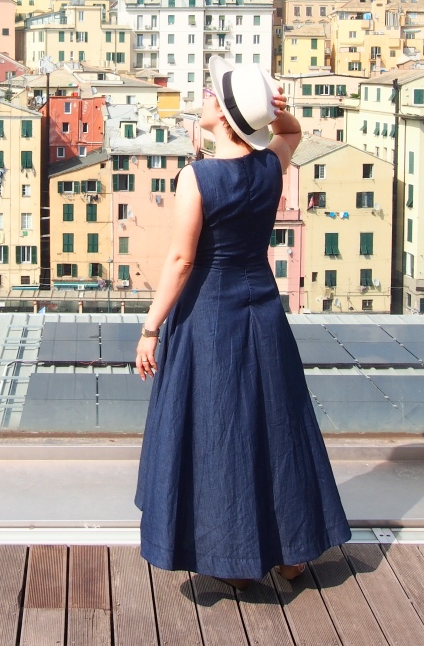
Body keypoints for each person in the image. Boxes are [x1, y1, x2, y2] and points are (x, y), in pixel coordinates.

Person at [134, 57, 350, 589]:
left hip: (210, 317)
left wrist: (150, 327)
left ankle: (234, 557)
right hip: (263, 311)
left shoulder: (198, 177)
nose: (204, 98)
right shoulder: (269, 167)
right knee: (277, 428)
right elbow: (292, 131)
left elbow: (181, 262)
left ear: (225, 116)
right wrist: (276, 112)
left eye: (213, 94)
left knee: (221, 432)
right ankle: (292, 552)